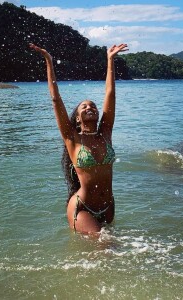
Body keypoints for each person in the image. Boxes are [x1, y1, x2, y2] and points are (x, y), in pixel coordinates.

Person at [30, 42, 128, 235]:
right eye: (84, 107)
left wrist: (110, 61)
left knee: (103, 257)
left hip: (108, 206)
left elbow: (110, 94)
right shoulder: (72, 138)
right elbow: (56, 99)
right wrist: (49, 62)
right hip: (82, 208)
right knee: (107, 247)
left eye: (93, 106)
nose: (90, 107)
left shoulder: (105, 133)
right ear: (76, 117)